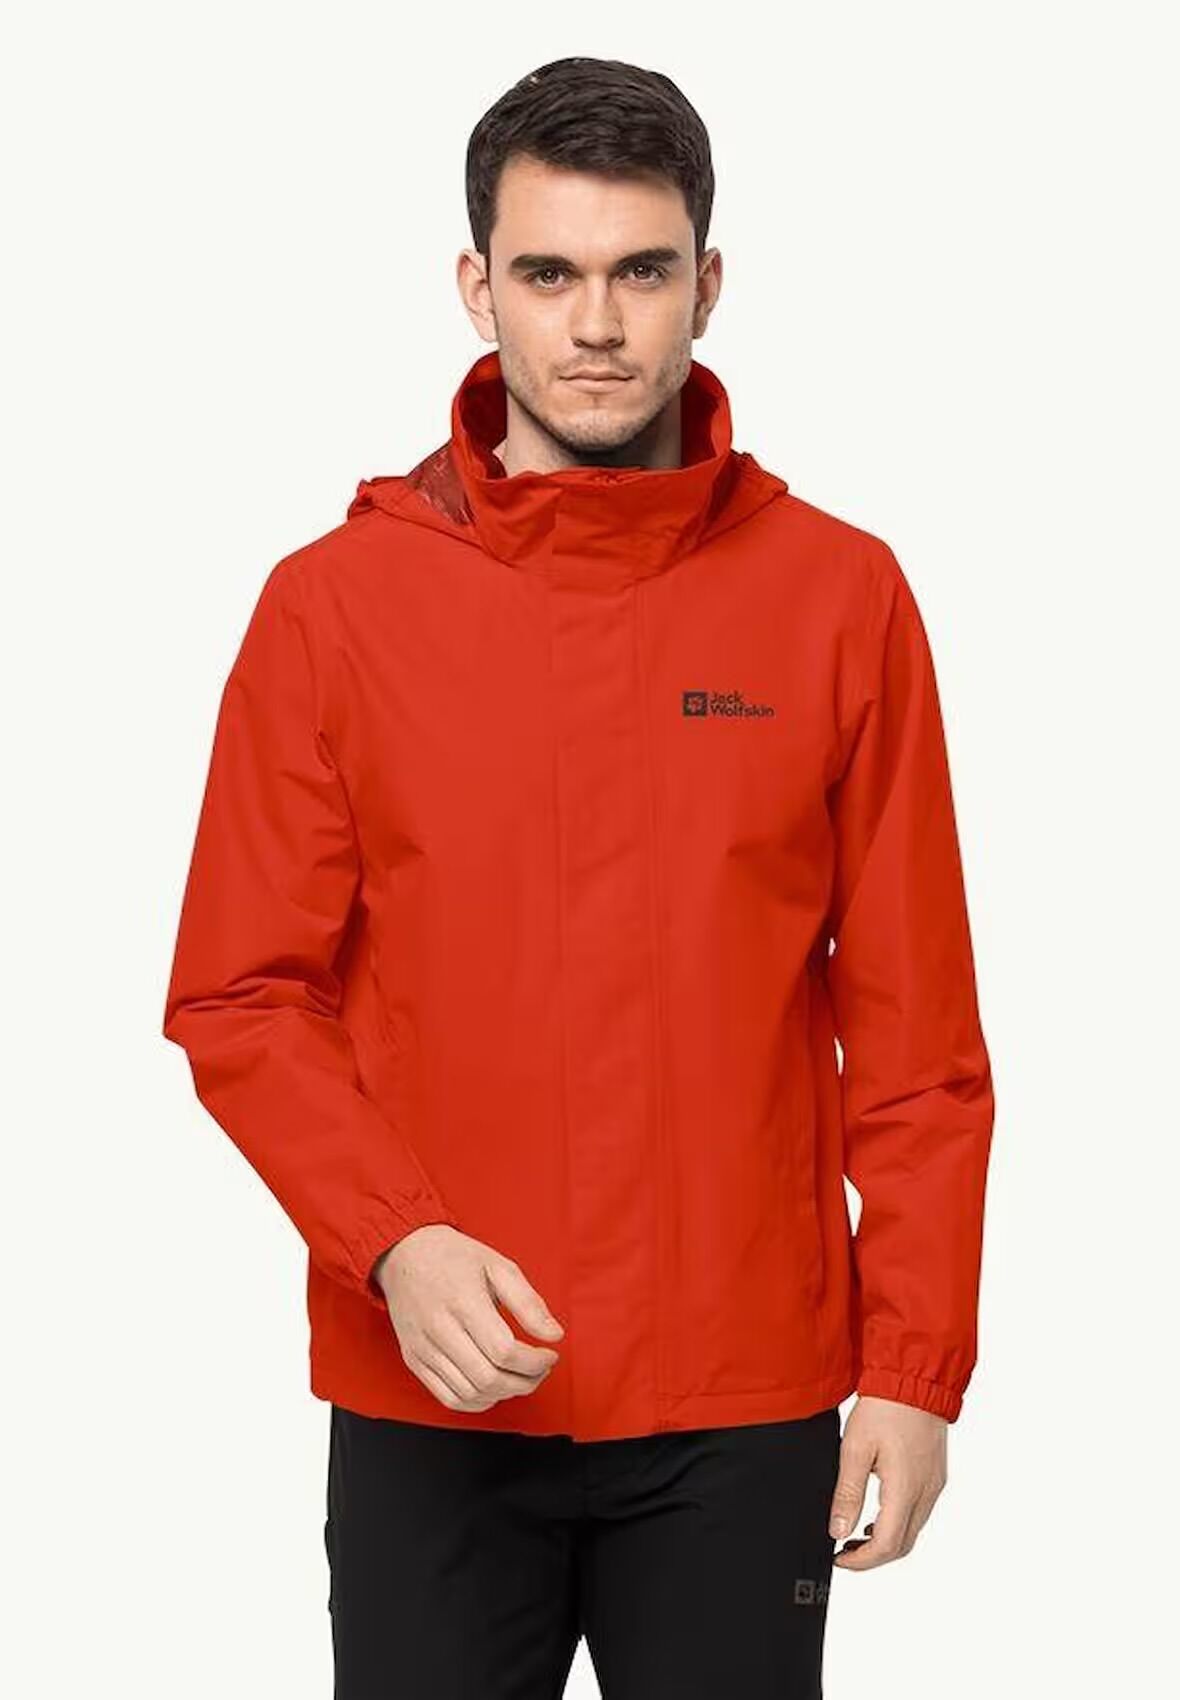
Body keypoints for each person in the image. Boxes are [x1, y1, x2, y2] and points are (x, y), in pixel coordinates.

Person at [163, 54, 995, 1700]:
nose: (597, 324)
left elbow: (917, 1034)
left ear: (708, 284)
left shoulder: (839, 600)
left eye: (640, 272)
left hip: (743, 1404)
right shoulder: (335, 610)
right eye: (549, 274)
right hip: (436, 1388)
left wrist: (913, 1367)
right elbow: (241, 993)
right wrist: (395, 1242)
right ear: (479, 289)